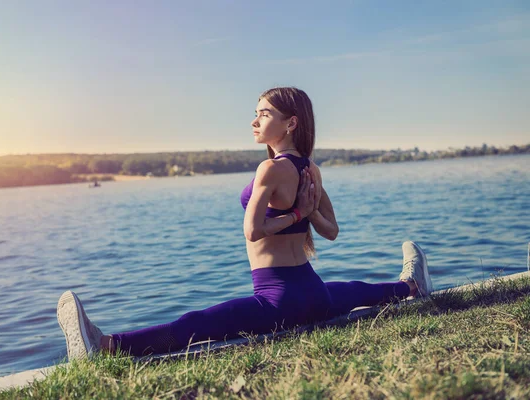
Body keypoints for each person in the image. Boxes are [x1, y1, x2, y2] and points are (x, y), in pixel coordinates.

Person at [57, 87, 433, 361]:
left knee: (200, 323)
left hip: (277, 299)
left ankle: (106, 346)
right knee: (353, 291)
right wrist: (308, 211)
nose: (254, 120)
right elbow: (331, 231)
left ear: (291, 123)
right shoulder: (311, 169)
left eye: (264, 114)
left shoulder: (269, 168)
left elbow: (252, 231)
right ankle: (411, 285)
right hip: (312, 293)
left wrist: (301, 214)